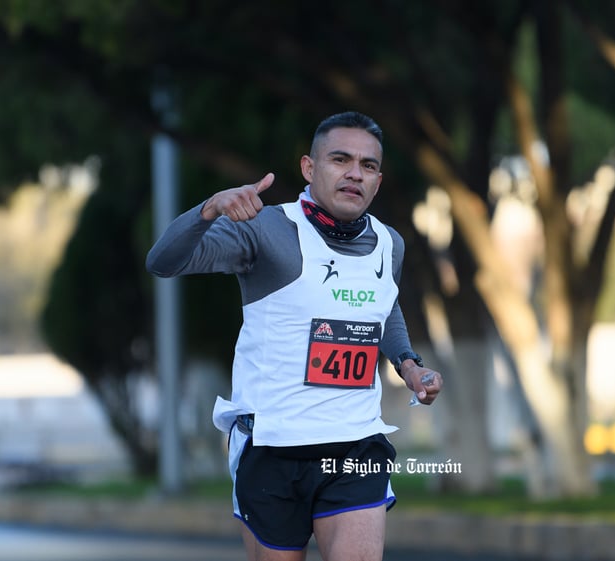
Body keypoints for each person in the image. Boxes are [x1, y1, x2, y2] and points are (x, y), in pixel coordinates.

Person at [146, 111, 442, 561]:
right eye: (340, 160)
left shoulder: (389, 243)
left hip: (355, 444)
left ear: (378, 181)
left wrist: (408, 363)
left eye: (367, 166)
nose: (354, 174)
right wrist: (208, 211)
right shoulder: (267, 230)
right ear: (309, 168)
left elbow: (384, 306)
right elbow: (163, 262)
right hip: (272, 447)